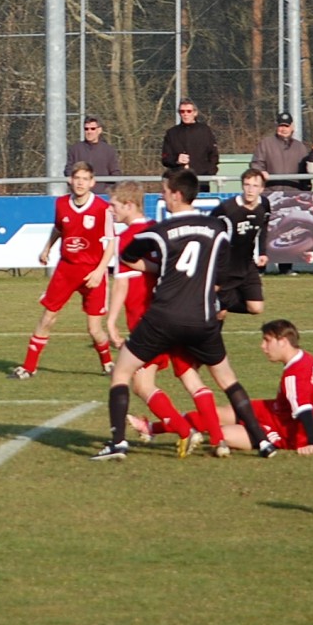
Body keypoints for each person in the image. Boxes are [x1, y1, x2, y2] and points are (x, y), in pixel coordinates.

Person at [92, 169, 275, 461]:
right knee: (227, 380)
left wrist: (159, 269)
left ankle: (118, 444)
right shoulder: (216, 228)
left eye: (165, 191)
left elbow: (128, 256)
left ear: (176, 195)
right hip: (202, 319)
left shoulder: (160, 230)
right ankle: (263, 442)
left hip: (163, 318)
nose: (163, 196)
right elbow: (222, 276)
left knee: (121, 373)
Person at [103, 183, 220, 456]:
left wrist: (110, 321)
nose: (110, 210)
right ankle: (218, 439)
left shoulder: (128, 238)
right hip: (178, 312)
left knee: (141, 384)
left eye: (114, 205)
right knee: (189, 376)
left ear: (129, 205)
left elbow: (121, 284)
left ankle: (184, 430)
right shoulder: (160, 230)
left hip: (146, 320)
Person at [135, 318, 313, 455]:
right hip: (275, 411)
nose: (263, 346)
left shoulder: (294, 375)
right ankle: (152, 428)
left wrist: (310, 441)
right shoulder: (309, 359)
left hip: (287, 431)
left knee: (223, 434)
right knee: (217, 414)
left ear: (283, 342)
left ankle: (159, 429)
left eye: (267, 341)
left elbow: (303, 409)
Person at [9, 163, 117, 379]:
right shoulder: (61, 204)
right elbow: (59, 228)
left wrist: (99, 271)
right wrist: (47, 248)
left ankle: (108, 364)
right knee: (47, 317)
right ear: (70, 180)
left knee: (94, 329)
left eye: (85, 179)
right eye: (77, 178)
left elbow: (111, 242)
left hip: (92, 273)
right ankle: (29, 367)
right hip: (66, 270)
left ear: (92, 182)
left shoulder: (102, 208)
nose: (80, 183)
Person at [213, 168, 270, 315]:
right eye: (247, 185)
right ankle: (216, 304)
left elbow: (263, 226)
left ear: (261, 189)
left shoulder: (264, 205)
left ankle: (217, 302)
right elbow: (209, 229)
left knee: (256, 308)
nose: (250, 190)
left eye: (255, 186)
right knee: (220, 314)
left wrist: (262, 252)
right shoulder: (227, 209)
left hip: (247, 265)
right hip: (226, 267)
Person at [161, 99, 220, 192]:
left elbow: (213, 155)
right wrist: (177, 160)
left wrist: (209, 173)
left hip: (200, 181)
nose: (185, 114)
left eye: (188, 111)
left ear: (195, 113)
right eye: (182, 111)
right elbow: (165, 159)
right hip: (178, 181)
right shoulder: (171, 133)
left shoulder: (205, 131)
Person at [249, 112, 310, 194]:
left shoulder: (300, 147)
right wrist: (260, 172)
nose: (284, 129)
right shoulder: (266, 144)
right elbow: (256, 164)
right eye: (281, 126)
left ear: (292, 127)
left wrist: (306, 189)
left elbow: (306, 171)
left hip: (294, 193)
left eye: (286, 126)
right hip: (270, 192)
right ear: (277, 126)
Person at [64, 116, 120, 194]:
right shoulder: (75, 149)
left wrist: (108, 190)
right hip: (80, 194)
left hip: (102, 194)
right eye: (86, 129)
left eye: (92, 129)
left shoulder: (109, 150)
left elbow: (115, 173)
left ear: (99, 130)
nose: (89, 131)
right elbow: (69, 170)